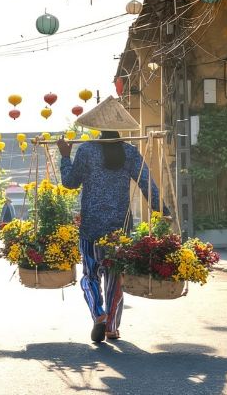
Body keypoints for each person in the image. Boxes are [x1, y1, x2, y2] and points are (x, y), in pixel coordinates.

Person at [58, 129, 168, 343]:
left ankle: (98, 313)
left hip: (91, 226)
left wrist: (64, 156)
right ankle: (111, 327)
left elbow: (70, 182)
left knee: (90, 275)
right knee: (114, 276)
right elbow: (146, 182)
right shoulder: (129, 152)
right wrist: (162, 209)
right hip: (120, 229)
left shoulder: (87, 150)